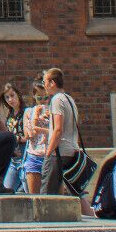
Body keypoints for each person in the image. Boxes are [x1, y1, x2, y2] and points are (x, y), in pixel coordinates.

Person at [40, 68, 87, 197]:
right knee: (76, 194)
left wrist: (49, 151)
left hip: (58, 152)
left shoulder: (56, 100)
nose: (44, 86)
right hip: (72, 151)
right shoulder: (69, 99)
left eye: (45, 82)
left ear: (52, 83)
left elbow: (58, 129)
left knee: (48, 194)